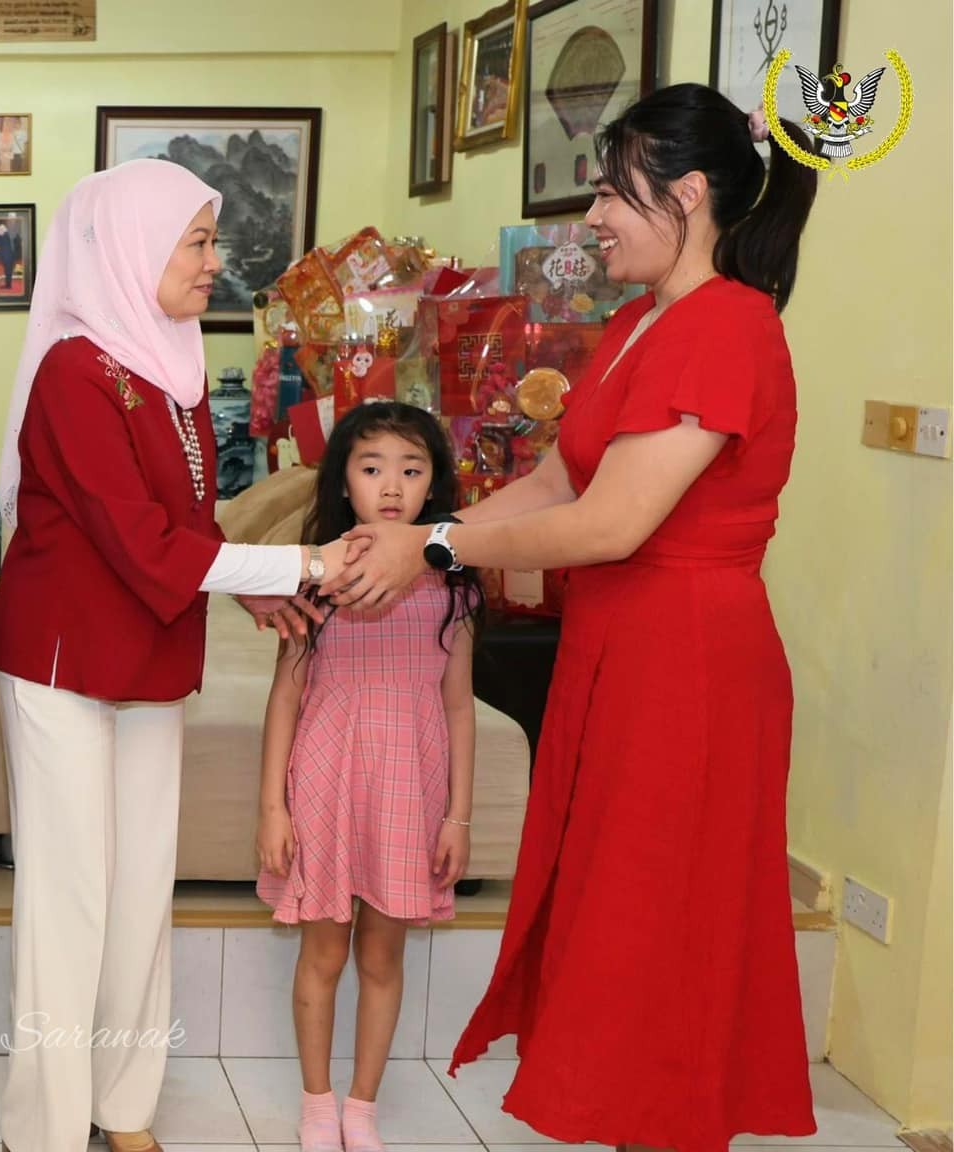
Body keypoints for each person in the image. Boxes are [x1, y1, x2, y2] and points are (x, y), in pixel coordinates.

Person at [328, 84, 821, 1151]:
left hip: (687, 663)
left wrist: (434, 550)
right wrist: (409, 541)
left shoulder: (728, 327)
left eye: (610, 194)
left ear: (686, 194)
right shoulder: (643, 322)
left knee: (662, 919)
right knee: (615, 913)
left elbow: (610, 524)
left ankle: (666, 1126)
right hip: (619, 650)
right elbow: (557, 481)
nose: (591, 218)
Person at [0, 158, 350, 1152]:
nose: (212, 261)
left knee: (143, 886)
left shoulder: (173, 362)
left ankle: (123, 1107)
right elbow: (137, 538)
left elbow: (184, 526)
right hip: (62, 660)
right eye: (195, 241)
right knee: (69, 897)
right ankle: (44, 1128)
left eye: (210, 239)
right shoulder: (75, 372)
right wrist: (299, 562)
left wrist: (248, 587)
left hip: (150, 650)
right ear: (130, 249)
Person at [254, 403, 481, 1152]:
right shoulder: (318, 577)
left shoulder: (452, 586)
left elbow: (459, 707)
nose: (391, 486)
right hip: (326, 783)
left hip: (410, 791)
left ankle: (362, 1108)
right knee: (323, 953)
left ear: (432, 484)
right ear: (343, 480)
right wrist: (272, 808)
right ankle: (317, 1106)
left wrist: (458, 817)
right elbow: (285, 695)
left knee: (382, 956)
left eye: (411, 470)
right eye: (372, 467)